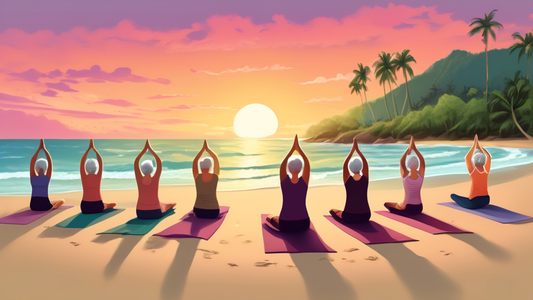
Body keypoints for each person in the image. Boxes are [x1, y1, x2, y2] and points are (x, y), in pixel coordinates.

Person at [266, 135, 311, 232]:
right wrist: (299, 149)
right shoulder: (304, 181)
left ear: (288, 169)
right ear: (301, 169)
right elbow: (307, 164)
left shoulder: (284, 181)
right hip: (304, 223)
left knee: (270, 217)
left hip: (286, 224)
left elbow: (282, 166)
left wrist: (291, 150)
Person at [329, 137, 371, 223]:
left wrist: (352, 151)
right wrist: (358, 151)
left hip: (349, 216)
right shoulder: (365, 179)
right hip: (366, 215)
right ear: (361, 167)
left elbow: (345, 165)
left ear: (350, 168)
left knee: (332, 210)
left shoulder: (347, 180)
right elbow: (366, 165)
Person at [134, 139, 175, 219]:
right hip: (155, 212)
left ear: (141, 169)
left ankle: (168, 205)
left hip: (140, 213)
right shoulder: (155, 179)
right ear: (152, 169)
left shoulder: (139, 179)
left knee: (162, 204)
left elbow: (136, 163)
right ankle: (170, 205)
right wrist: (151, 149)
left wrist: (143, 150)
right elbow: (159, 163)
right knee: (164, 206)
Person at [384, 136, 425, 216]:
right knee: (399, 203)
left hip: (408, 207)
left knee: (387, 204)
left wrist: (408, 149)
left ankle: (401, 205)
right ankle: (401, 204)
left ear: (408, 165)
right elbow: (422, 160)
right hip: (419, 207)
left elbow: (401, 161)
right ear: (418, 165)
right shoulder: (421, 175)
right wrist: (415, 149)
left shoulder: (406, 176)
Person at [450, 134, 491, 209]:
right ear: (484, 161)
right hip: (486, 200)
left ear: (474, 161)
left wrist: (474, 145)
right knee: (461, 198)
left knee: (453, 196)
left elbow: (467, 158)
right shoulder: (486, 171)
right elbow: (489, 156)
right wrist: (480, 147)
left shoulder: (473, 171)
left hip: (474, 203)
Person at [79, 139, 116, 214]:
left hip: (85, 207)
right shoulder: (97, 177)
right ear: (97, 167)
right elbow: (100, 161)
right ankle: (107, 205)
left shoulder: (84, 177)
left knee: (106, 205)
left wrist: (88, 149)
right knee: (110, 205)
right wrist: (94, 149)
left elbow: (82, 162)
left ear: (86, 168)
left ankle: (106, 205)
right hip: (97, 206)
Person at [29, 139, 64, 211]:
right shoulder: (46, 178)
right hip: (45, 206)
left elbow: (32, 162)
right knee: (62, 200)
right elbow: (50, 162)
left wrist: (39, 149)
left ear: (36, 167)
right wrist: (45, 149)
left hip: (33, 206)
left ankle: (51, 205)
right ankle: (53, 207)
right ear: (46, 168)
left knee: (51, 200)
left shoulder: (33, 177)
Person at [192, 140, 220, 219]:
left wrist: (202, 150)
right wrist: (208, 149)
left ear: (200, 167)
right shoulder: (215, 177)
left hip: (199, 212)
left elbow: (195, 162)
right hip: (213, 212)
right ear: (211, 167)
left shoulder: (197, 177)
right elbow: (216, 160)